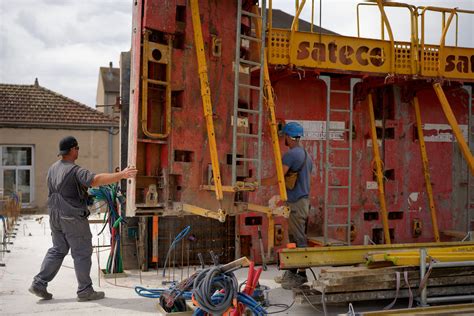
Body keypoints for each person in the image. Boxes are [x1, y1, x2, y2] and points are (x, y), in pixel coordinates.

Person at [29, 136, 138, 301]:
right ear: (72, 150)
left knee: (58, 250)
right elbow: (94, 180)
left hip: (55, 216)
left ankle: (39, 283)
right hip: (72, 218)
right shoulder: (74, 170)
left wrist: (83, 197)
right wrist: (122, 175)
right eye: (77, 148)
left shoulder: (53, 168)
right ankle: (85, 290)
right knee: (82, 252)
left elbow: (62, 191)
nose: (78, 151)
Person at [257, 122, 313, 289]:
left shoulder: (291, 155)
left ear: (288, 137)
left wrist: (255, 182)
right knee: (294, 239)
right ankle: (291, 271)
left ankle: (301, 275)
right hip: (301, 201)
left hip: (297, 203)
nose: (284, 140)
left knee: (299, 239)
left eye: (284, 137)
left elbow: (277, 178)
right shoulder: (306, 155)